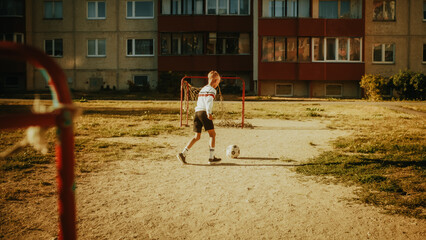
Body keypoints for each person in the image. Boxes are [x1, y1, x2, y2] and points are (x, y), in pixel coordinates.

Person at [177, 71, 222, 165]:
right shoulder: (212, 90)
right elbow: (208, 101)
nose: (218, 83)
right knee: (212, 135)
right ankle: (211, 158)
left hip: (197, 112)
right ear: (215, 80)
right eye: (218, 81)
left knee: (197, 136)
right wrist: (209, 113)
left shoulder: (203, 89)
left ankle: (183, 153)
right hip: (204, 112)